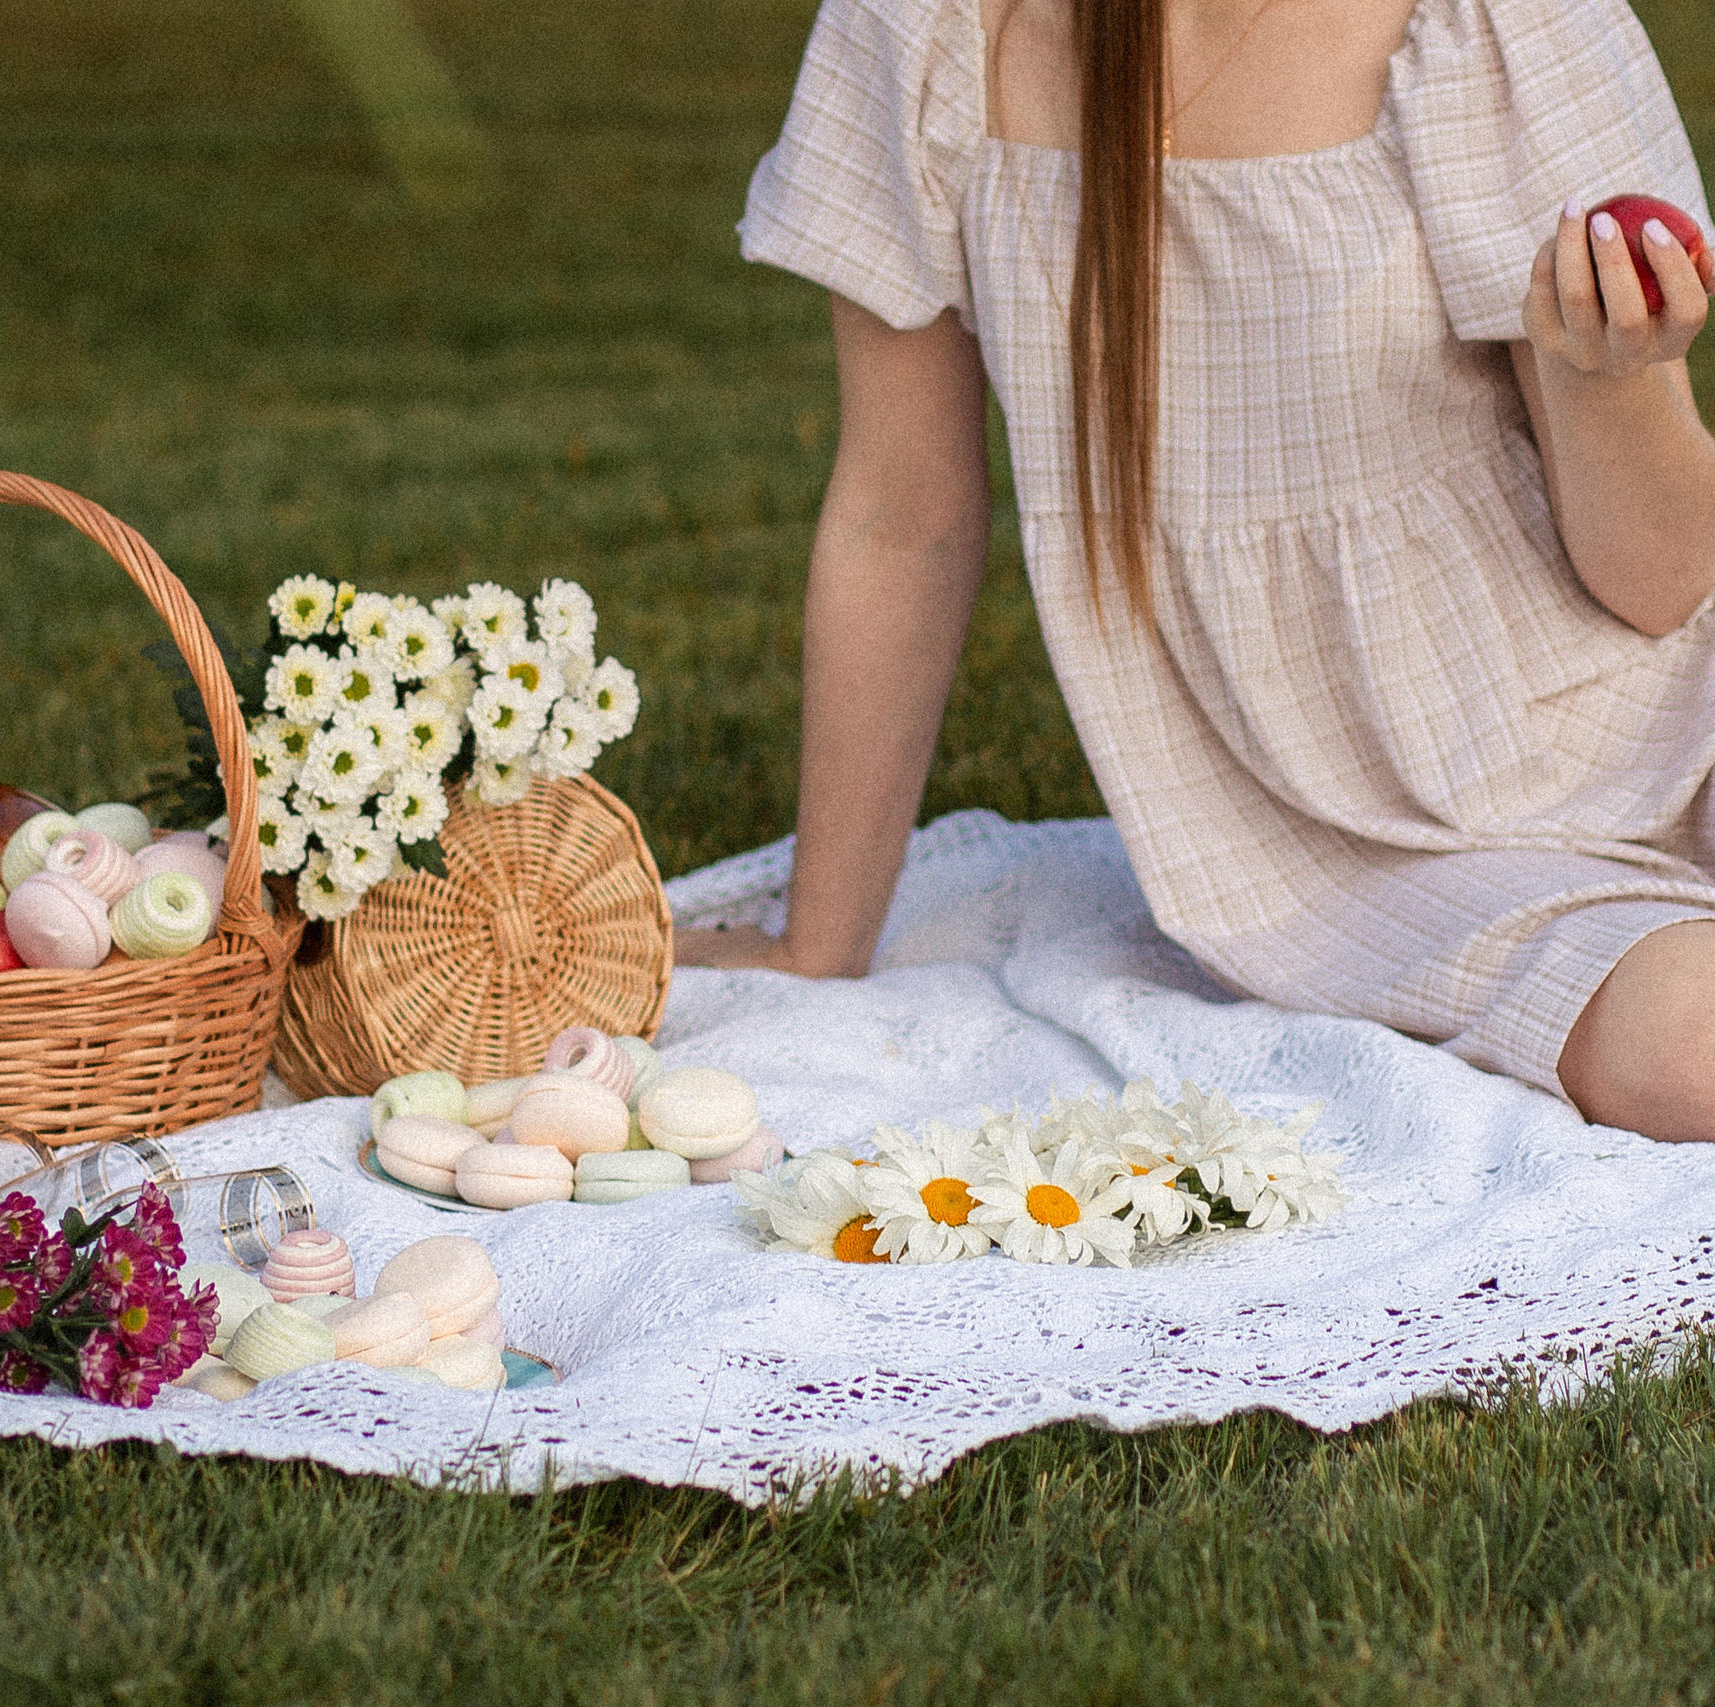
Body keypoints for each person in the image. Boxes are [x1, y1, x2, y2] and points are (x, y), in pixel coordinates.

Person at [674, 0, 1715, 1141]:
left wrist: (1609, 380)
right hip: (1346, 837)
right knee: (1688, 1047)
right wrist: (817, 943)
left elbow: (1659, 585)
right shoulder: (923, 33)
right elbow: (899, 516)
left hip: (1655, 708)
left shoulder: (1498, 24)